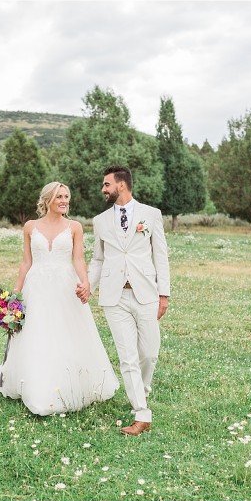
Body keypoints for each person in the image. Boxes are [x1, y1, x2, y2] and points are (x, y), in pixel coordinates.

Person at [0, 182, 120, 416]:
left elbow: (78, 259)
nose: (64, 200)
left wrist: (85, 283)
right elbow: (26, 261)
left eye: (66, 196)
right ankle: (38, 385)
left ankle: (70, 382)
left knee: (65, 332)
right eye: (59, 196)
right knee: (37, 333)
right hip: (36, 286)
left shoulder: (75, 227)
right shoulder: (30, 227)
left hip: (65, 286)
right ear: (47, 200)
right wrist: (13, 297)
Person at [77, 166, 170, 436]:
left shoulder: (151, 215)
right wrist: (89, 286)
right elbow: (98, 258)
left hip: (146, 294)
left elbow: (160, 256)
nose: (103, 190)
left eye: (106, 184)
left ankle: (142, 391)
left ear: (121, 185)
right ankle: (141, 413)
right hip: (114, 296)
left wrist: (164, 293)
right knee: (127, 357)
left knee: (149, 354)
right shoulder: (100, 221)